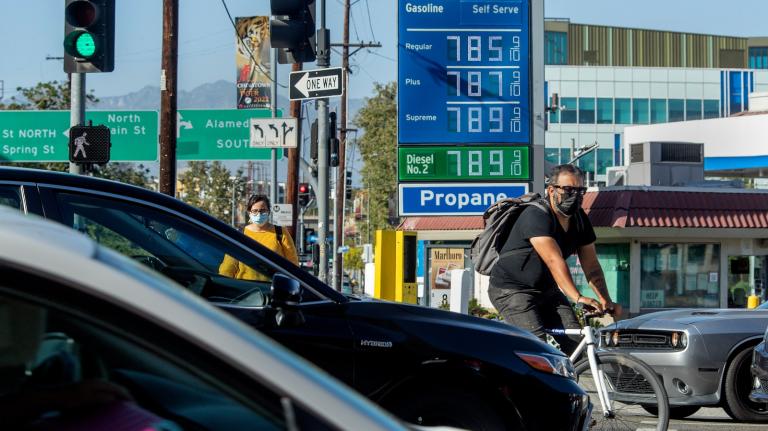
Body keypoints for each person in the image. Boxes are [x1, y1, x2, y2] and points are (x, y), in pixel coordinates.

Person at [488, 164, 622, 355]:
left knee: (578, 344)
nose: (575, 195)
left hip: (547, 291)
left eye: (580, 190)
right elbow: (554, 260)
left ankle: (571, 383)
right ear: (551, 190)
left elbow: (591, 266)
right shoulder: (536, 215)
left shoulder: (579, 219)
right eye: (568, 189)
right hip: (512, 290)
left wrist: (605, 299)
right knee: (536, 347)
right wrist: (578, 297)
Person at [219, 194, 299, 280]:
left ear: (268, 212)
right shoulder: (240, 234)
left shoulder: (280, 232)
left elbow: (293, 263)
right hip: (247, 289)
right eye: (255, 211)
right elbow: (228, 267)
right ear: (249, 213)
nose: (259, 214)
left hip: (274, 288)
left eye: (262, 210)